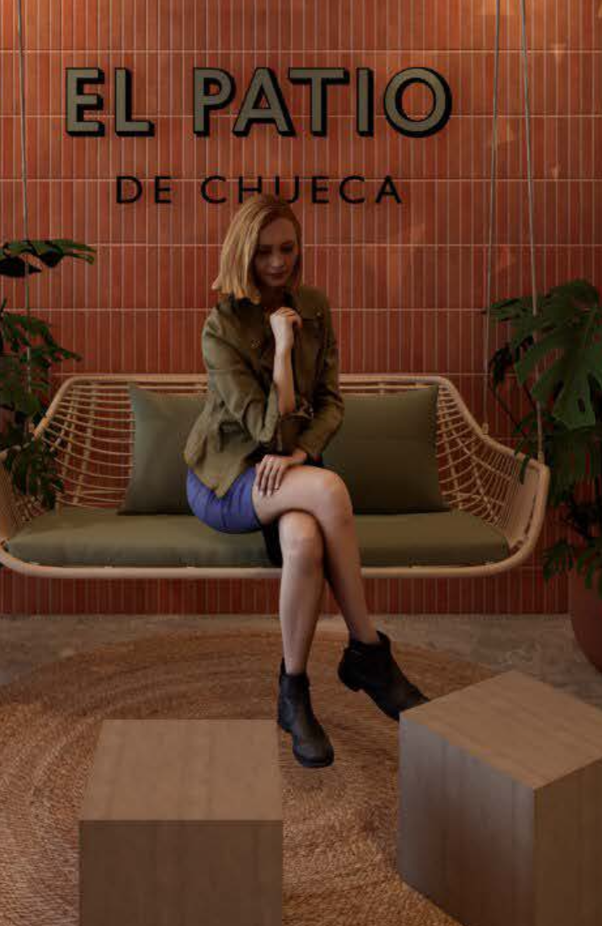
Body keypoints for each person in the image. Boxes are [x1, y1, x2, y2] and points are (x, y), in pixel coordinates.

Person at [181, 195, 427, 768]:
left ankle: (293, 694)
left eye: (287, 248)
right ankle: (367, 650)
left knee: (304, 541)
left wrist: (299, 454)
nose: (277, 262)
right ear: (244, 254)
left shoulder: (315, 306)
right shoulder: (221, 328)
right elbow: (264, 431)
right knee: (330, 489)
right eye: (264, 251)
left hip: (289, 468)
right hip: (228, 479)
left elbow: (333, 402)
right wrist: (284, 350)